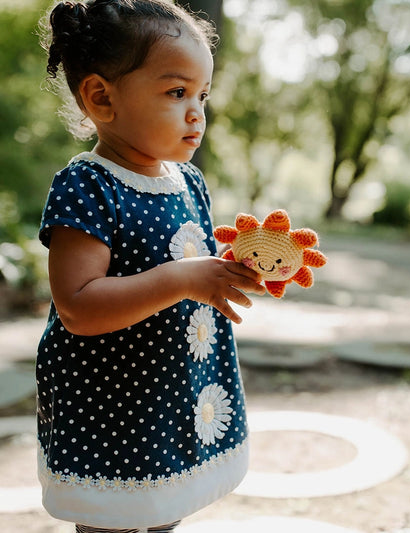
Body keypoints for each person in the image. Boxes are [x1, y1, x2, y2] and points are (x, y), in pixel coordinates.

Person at [36, 1, 265, 532]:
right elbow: (78, 307)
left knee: (163, 513)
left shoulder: (190, 183)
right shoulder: (88, 186)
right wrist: (183, 279)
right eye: (176, 92)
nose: (197, 113)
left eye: (203, 95)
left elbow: (192, 266)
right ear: (101, 97)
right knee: (116, 520)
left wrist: (232, 269)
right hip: (113, 408)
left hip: (171, 394)